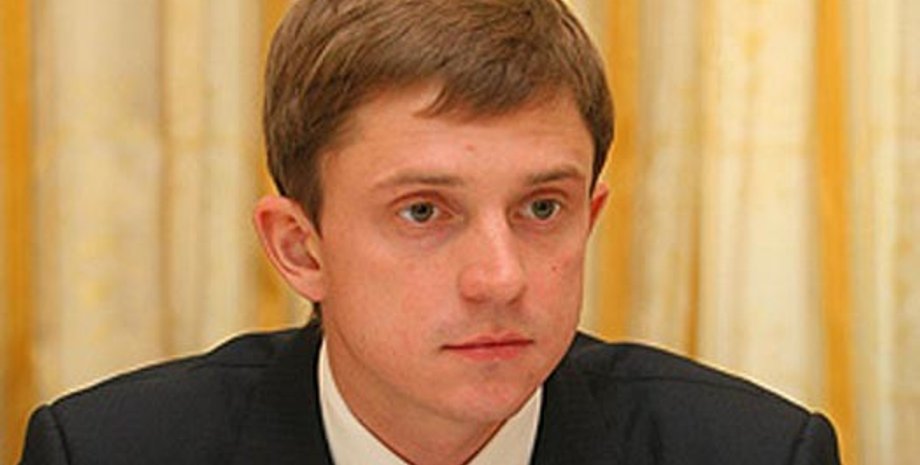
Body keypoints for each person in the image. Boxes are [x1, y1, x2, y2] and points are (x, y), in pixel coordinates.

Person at [19, 0, 841, 464]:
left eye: (542, 208)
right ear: (300, 248)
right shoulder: (105, 454)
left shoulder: (758, 455)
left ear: (589, 219)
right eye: (423, 211)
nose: (501, 277)